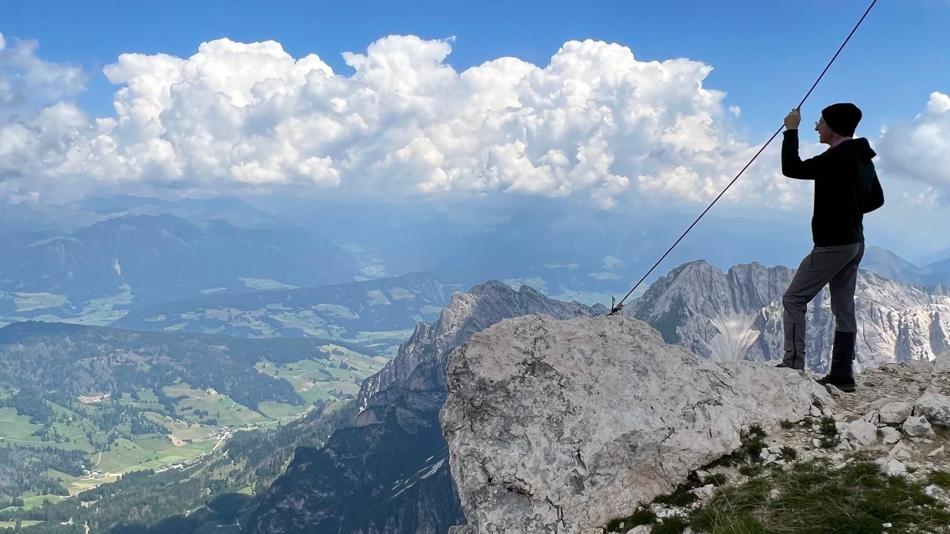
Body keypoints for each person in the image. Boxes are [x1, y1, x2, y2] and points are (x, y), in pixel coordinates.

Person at [777, 103, 884, 392]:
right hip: (855, 242)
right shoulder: (863, 159)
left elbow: (792, 168)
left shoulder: (835, 159)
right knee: (843, 308)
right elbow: (876, 199)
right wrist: (850, 211)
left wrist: (791, 130)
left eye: (820, 122)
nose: (816, 127)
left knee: (794, 299)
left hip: (833, 244)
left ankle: (792, 365)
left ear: (833, 127)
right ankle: (842, 375)